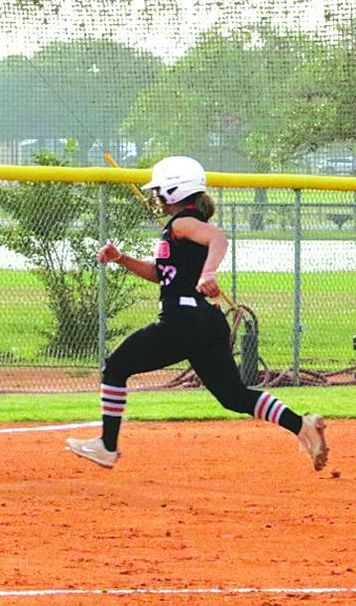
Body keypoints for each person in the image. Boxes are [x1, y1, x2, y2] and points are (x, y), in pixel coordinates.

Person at [66, 156, 328, 471]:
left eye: (160, 190)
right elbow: (160, 274)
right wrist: (121, 258)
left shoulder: (182, 222)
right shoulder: (177, 227)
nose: (155, 196)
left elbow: (218, 238)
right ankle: (302, 425)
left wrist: (209, 273)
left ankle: (107, 446)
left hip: (182, 322)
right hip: (203, 322)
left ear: (175, 190)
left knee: (115, 367)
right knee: (233, 396)